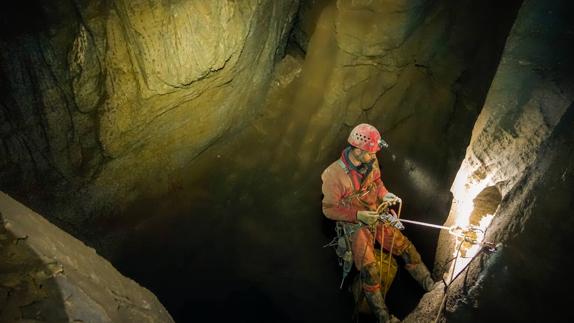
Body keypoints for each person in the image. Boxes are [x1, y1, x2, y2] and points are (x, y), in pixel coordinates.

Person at [321, 123, 435, 322]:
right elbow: (329, 209)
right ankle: (384, 319)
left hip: (377, 214)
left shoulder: (370, 161)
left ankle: (431, 286)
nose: (374, 157)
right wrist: (358, 216)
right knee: (370, 271)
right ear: (357, 149)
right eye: (370, 153)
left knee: (405, 248)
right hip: (355, 225)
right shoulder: (333, 175)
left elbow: (378, 184)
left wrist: (386, 194)